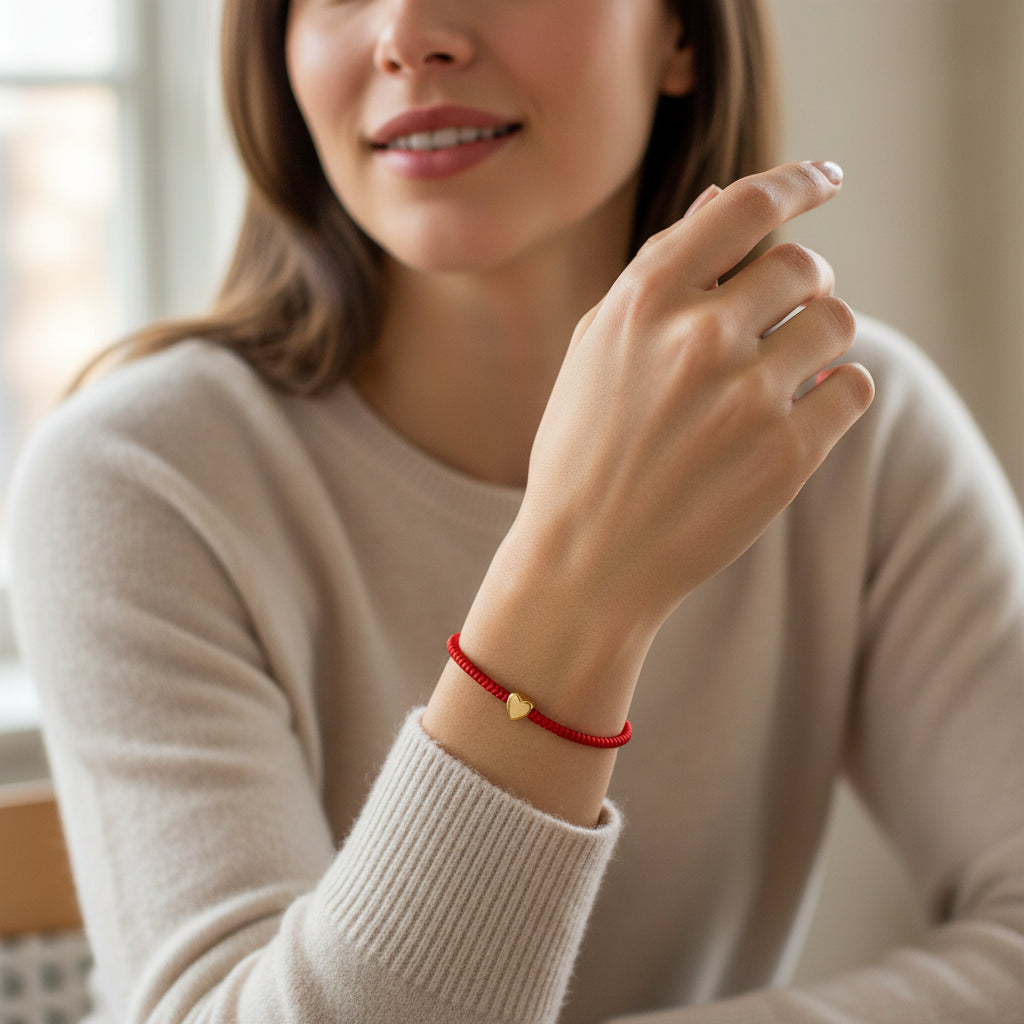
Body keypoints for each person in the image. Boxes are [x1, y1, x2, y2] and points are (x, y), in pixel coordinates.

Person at [8, 0, 1024, 1020]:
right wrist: (580, 577)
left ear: (679, 34)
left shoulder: (844, 422)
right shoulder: (137, 477)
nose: (407, 32)